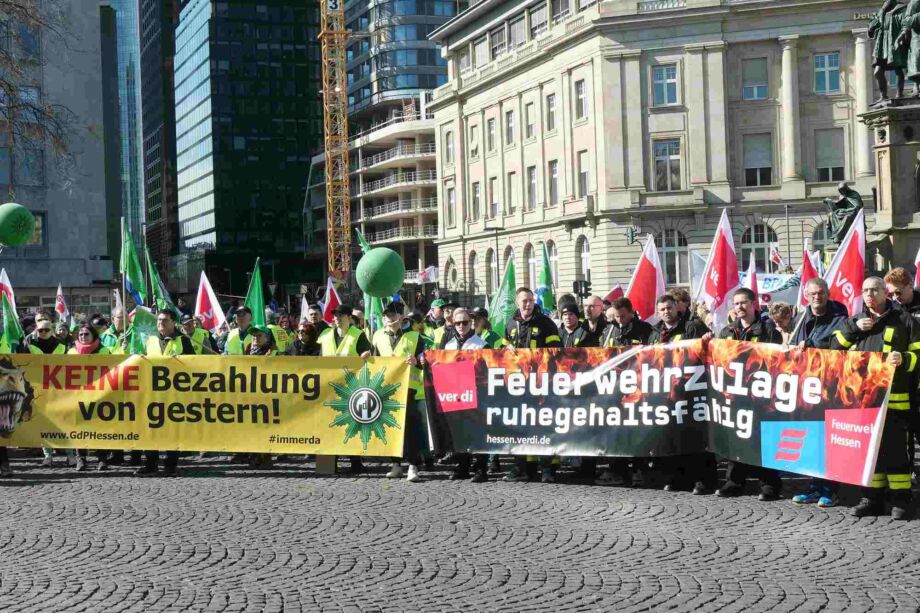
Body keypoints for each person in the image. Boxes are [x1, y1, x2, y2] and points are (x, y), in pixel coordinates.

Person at [831, 277, 920, 520]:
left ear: (885, 293)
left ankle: (901, 500)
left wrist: (904, 359)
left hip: (896, 400)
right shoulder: (854, 321)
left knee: (896, 452)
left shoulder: (904, 320)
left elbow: (918, 356)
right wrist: (854, 329)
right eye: (866, 290)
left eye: (875, 290)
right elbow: (832, 349)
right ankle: (871, 498)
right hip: (863, 400)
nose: (870, 294)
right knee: (868, 452)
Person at [715, 288, 785, 501]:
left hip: (760, 393)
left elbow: (777, 359)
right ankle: (734, 482)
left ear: (753, 304)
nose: (740, 308)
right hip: (735, 394)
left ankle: (769, 485)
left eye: (744, 303)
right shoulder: (727, 331)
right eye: (736, 304)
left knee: (763, 439)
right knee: (736, 437)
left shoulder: (767, 329)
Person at [648, 294, 715, 495]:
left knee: (695, 436)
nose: (666, 312)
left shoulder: (692, 326)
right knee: (672, 436)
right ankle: (678, 478)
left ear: (676, 307)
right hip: (667, 392)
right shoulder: (655, 332)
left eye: (669, 308)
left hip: (692, 389)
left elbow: (708, 349)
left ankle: (703, 480)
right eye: (662, 309)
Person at [503, 287, 562, 483]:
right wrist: (505, 349)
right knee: (521, 426)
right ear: (517, 303)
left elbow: (557, 351)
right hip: (519, 384)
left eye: (530, 300)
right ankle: (524, 468)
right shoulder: (510, 323)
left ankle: (548, 469)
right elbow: (502, 350)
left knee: (544, 425)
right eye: (524, 301)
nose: (527, 304)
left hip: (542, 383)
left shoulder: (546, 323)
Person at [597, 297, 654, 487]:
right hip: (614, 387)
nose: (619, 320)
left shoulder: (645, 329)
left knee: (636, 428)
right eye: (616, 316)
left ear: (631, 312)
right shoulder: (609, 330)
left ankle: (640, 469)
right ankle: (617, 469)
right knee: (615, 428)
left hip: (638, 386)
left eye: (623, 316)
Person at [137, 309, 196, 477]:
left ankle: (170, 465)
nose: (160, 324)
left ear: (173, 323)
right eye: (158, 321)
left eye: (164, 321)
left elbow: (194, 364)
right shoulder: (151, 340)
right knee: (150, 429)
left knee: (172, 431)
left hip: (174, 394)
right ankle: (151, 464)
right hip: (152, 393)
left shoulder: (183, 340)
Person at [372, 303, 427, 483]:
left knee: (411, 429)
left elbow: (424, 359)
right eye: (386, 315)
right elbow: (374, 361)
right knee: (391, 428)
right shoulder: (378, 336)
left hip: (409, 389)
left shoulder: (414, 336)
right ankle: (395, 465)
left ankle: (413, 465)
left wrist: (417, 361)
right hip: (387, 388)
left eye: (393, 314)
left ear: (402, 317)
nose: (389, 318)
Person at [318, 304, 372, 474]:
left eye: (341, 315)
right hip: (328, 387)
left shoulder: (358, 335)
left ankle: (355, 462)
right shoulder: (325, 335)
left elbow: (368, 355)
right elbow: (317, 358)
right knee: (330, 426)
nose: (337, 318)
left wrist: (366, 355)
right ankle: (330, 464)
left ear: (350, 318)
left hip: (351, 388)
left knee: (351, 426)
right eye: (335, 315)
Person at [446, 308, 491, 482]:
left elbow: (488, 371)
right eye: (458, 323)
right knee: (459, 432)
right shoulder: (449, 345)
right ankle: (462, 467)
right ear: (453, 324)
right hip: (456, 395)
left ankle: (481, 469)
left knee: (478, 432)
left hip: (476, 394)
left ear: (470, 323)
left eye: (465, 322)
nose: (461, 326)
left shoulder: (480, 344)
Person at [67, 322, 114, 471]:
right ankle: (81, 459)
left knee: (100, 428)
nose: (83, 336)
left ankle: (102, 459)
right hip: (78, 396)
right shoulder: (71, 353)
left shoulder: (104, 351)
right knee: (80, 429)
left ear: (93, 335)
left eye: (86, 334)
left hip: (100, 395)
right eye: (80, 334)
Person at [248, 326, 278, 468]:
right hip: (252, 395)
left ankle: (266, 458)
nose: (255, 338)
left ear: (267, 338)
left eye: (259, 335)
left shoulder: (273, 353)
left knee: (265, 428)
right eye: (254, 335)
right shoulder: (250, 351)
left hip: (268, 397)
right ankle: (255, 456)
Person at [790, 278, 849, 349]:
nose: (817, 297)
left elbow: (840, 346)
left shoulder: (840, 320)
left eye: (821, 293)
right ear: (806, 296)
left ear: (828, 294)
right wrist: (786, 346)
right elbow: (793, 343)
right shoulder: (799, 319)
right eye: (813, 294)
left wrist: (813, 344)